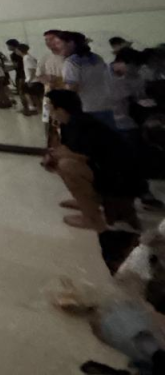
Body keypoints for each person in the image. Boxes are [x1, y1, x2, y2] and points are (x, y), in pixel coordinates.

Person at [46, 89, 144, 235]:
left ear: (60, 109)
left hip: (120, 178)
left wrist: (58, 155)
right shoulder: (69, 123)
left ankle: (91, 218)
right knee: (61, 163)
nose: (48, 110)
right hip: (105, 170)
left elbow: (85, 155)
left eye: (49, 106)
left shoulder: (83, 125)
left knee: (67, 166)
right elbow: (70, 148)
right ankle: (87, 202)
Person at [61, 31, 116, 128]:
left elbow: (72, 88)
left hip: (86, 108)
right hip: (106, 105)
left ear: (70, 43)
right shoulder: (97, 58)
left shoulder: (71, 62)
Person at [17, 44, 41, 116]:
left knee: (34, 96)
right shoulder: (27, 57)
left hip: (32, 80)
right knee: (30, 94)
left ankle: (36, 109)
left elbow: (33, 69)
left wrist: (30, 80)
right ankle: (33, 108)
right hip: (31, 79)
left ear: (19, 50)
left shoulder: (27, 58)